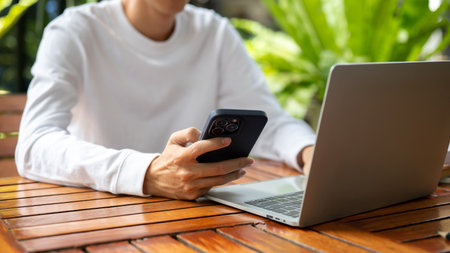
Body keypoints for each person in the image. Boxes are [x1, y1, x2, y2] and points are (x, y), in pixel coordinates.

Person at [15, 0, 316, 200]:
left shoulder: (214, 32)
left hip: (197, 218)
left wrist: (310, 152)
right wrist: (146, 173)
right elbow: (34, 145)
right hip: (100, 214)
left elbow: (270, 123)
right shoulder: (75, 30)